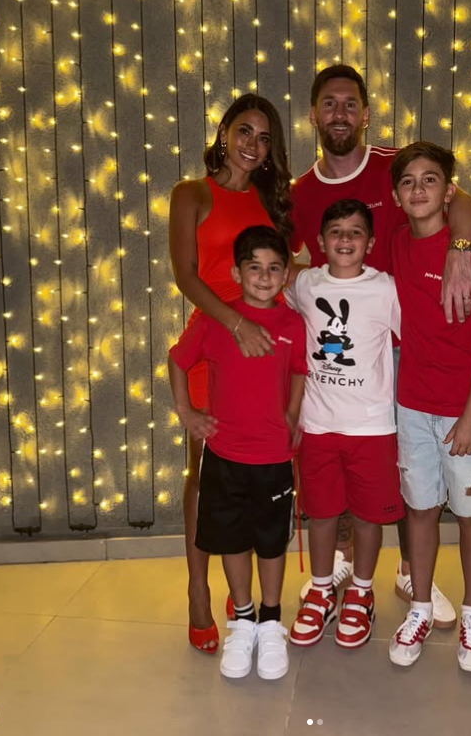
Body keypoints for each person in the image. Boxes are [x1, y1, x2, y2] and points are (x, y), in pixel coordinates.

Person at [290, 65, 471, 625]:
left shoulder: (395, 167)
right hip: (344, 352)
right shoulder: (301, 193)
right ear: (313, 114)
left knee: (397, 462)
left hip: (404, 342)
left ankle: (407, 571)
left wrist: (461, 251)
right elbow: (287, 260)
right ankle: (344, 565)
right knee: (344, 457)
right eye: (329, 103)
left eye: (351, 104)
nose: (340, 114)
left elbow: (463, 204)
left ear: (366, 113)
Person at [168, 94, 293, 653]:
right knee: (205, 469)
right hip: (215, 339)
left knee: (257, 468)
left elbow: (285, 267)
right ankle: (198, 588)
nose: (252, 145)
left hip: (263, 350)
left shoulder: (272, 200)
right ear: (223, 132)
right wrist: (235, 323)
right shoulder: (191, 194)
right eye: (244, 131)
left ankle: (243, 592)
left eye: (264, 138)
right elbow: (186, 275)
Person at [387, 142, 471, 672]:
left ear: (448, 191)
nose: (418, 189)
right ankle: (420, 607)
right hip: (413, 405)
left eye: (430, 180)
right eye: (408, 182)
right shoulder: (396, 244)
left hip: (469, 410)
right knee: (420, 508)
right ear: (396, 196)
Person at [168, 226, 306, 679]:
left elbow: (300, 371)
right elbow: (178, 360)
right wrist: (187, 412)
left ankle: (270, 621)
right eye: (254, 268)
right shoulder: (216, 321)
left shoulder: (293, 324)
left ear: (285, 275)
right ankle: (243, 620)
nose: (264, 277)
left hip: (273, 457)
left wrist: (292, 413)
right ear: (236, 273)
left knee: (270, 542)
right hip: (225, 456)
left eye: (273, 268)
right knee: (232, 540)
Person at [285, 199, 404, 649]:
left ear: (370, 243)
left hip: (371, 428)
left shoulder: (385, 289)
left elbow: (414, 337)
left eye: (356, 232)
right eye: (336, 231)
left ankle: (361, 592)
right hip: (317, 425)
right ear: (320, 241)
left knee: (370, 517)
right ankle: (321, 591)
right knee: (321, 513)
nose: (346, 239)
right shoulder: (306, 283)